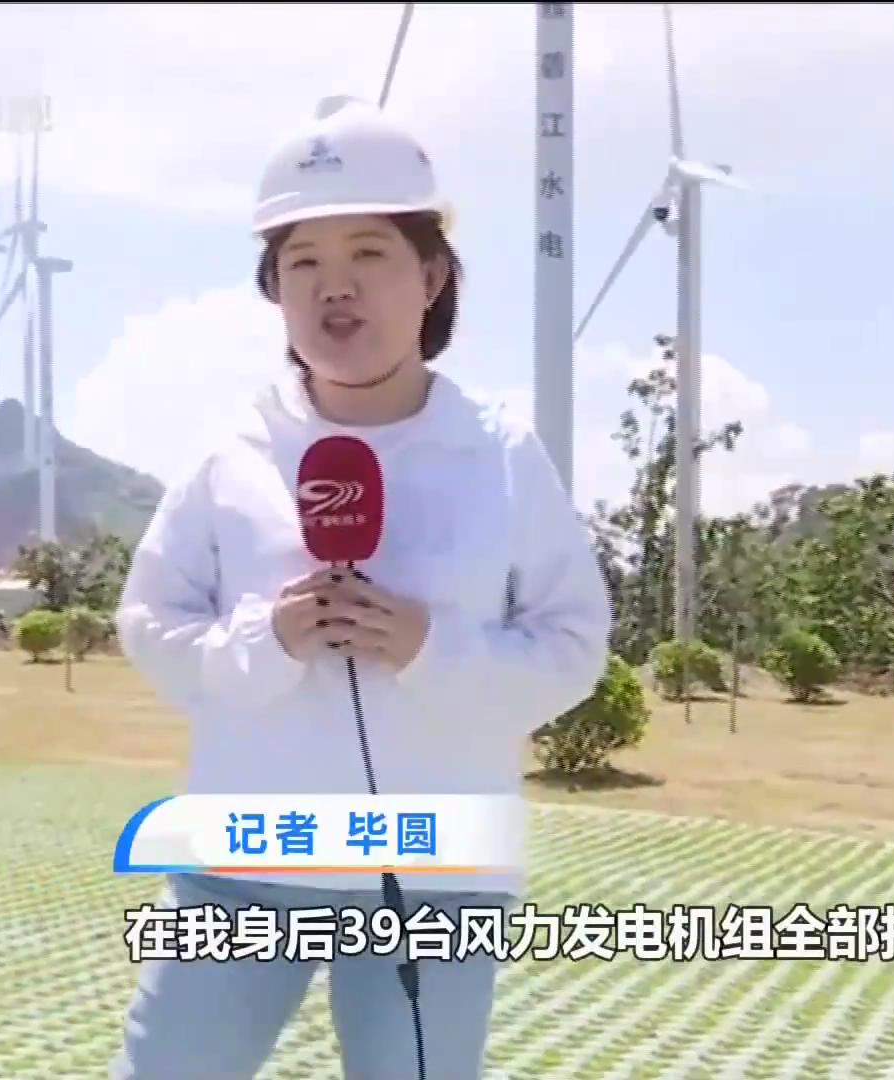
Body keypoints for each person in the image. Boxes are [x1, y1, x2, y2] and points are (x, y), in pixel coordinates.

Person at [108, 95, 614, 1080]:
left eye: (368, 254)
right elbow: (150, 621)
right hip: (245, 861)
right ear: (275, 290)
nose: (334, 287)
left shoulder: (500, 454)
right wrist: (263, 640)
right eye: (303, 262)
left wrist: (432, 647)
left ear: (432, 277)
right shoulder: (233, 453)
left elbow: (571, 644)